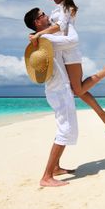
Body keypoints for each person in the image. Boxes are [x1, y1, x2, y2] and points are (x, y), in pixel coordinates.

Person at [27, 0, 105, 132]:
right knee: (77, 89)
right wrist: (35, 34)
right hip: (63, 51)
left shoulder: (66, 7)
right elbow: (49, 27)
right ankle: (102, 114)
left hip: (70, 52)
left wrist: (39, 34)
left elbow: (60, 26)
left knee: (77, 90)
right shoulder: (57, 9)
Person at [24, 11, 80, 187]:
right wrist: (68, 22)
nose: (47, 15)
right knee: (65, 130)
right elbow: (72, 40)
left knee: (63, 128)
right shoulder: (48, 40)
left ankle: (55, 168)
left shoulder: (43, 39)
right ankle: (46, 176)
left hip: (55, 89)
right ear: (37, 21)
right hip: (59, 90)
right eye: (42, 14)